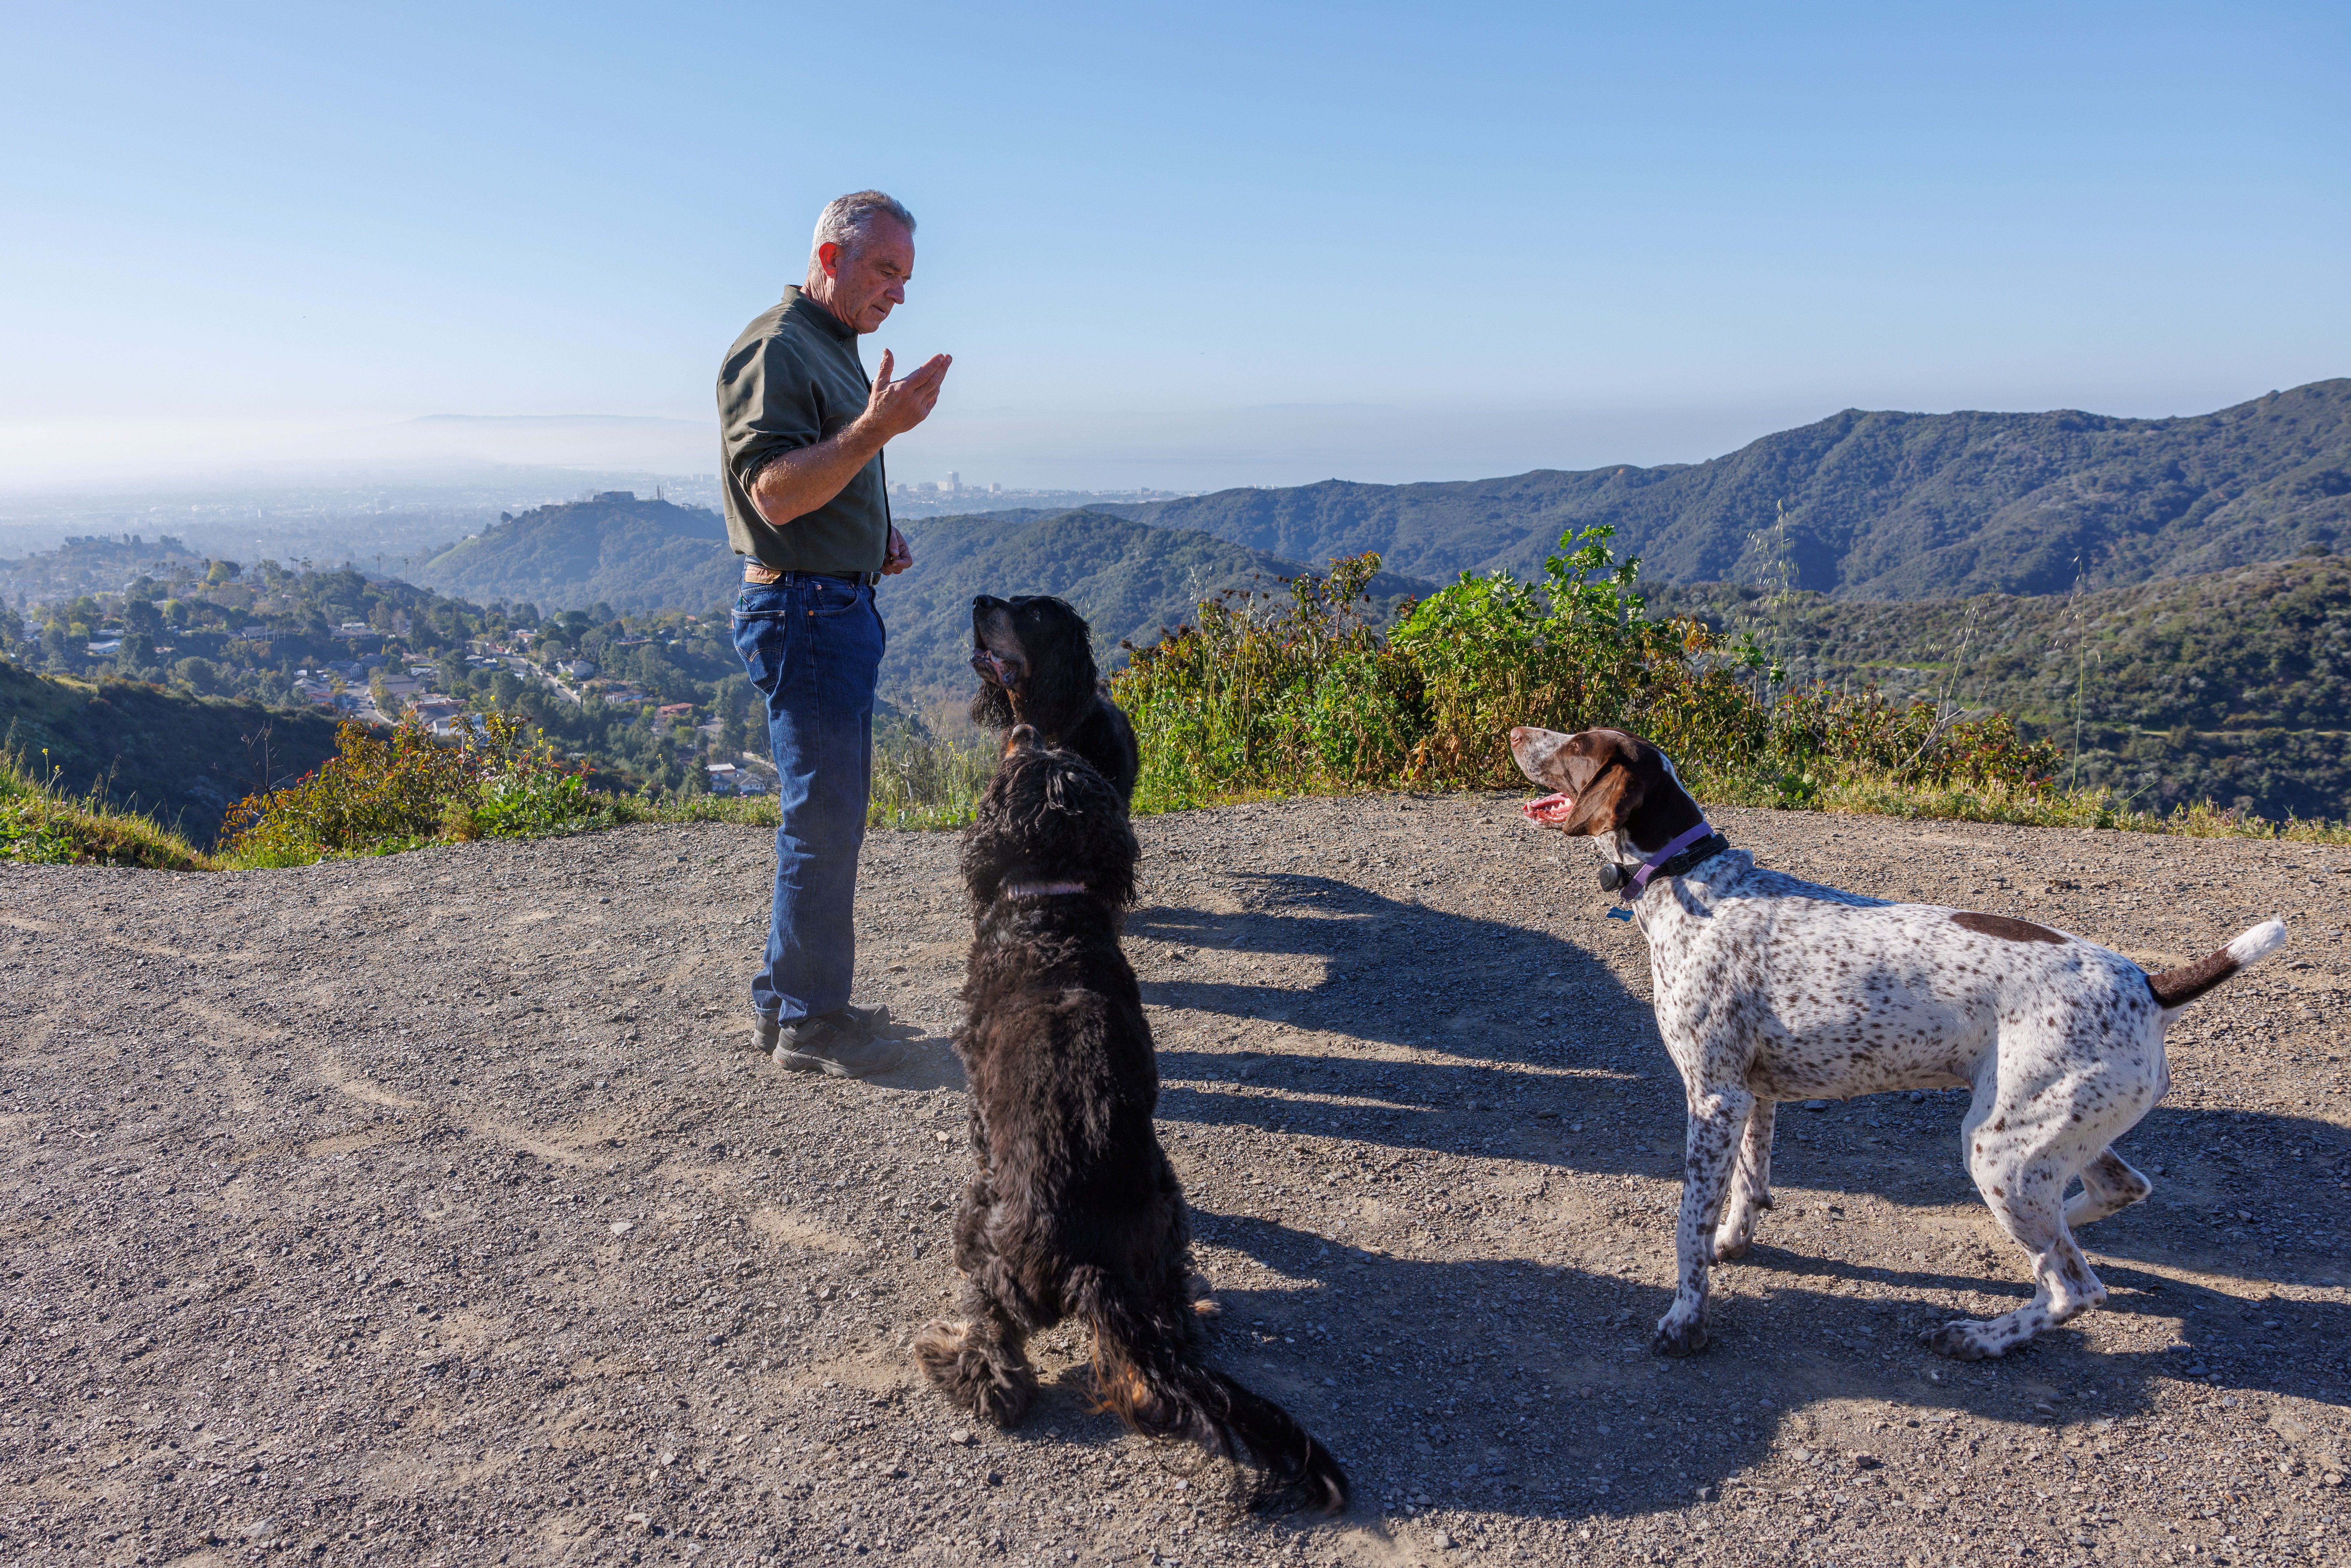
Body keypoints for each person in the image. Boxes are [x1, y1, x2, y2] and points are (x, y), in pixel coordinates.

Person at [718, 189, 951, 1077]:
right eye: (885, 270)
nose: (897, 292)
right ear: (830, 259)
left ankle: (788, 1000)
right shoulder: (779, 347)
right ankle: (814, 1024)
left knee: (824, 813)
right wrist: (877, 428)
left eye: (905, 277)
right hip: (806, 611)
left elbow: (818, 485)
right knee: (825, 817)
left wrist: (870, 531)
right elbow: (772, 490)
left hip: (831, 600)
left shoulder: (828, 349)